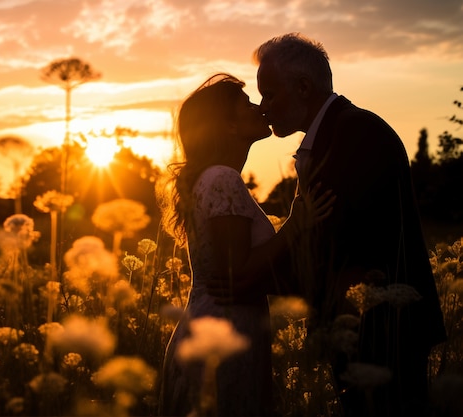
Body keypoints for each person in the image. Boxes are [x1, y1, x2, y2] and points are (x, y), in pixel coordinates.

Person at [229, 32, 446, 417]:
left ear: (303, 87)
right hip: (366, 328)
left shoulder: (355, 133)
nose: (264, 108)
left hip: (384, 332)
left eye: (270, 95)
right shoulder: (339, 132)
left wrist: (247, 278)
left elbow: (338, 246)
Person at [157, 73, 333, 417]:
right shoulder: (222, 178)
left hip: (220, 332)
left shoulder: (213, 177)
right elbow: (237, 271)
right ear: (229, 127)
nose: (261, 109)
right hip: (221, 339)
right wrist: (297, 224)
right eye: (249, 104)